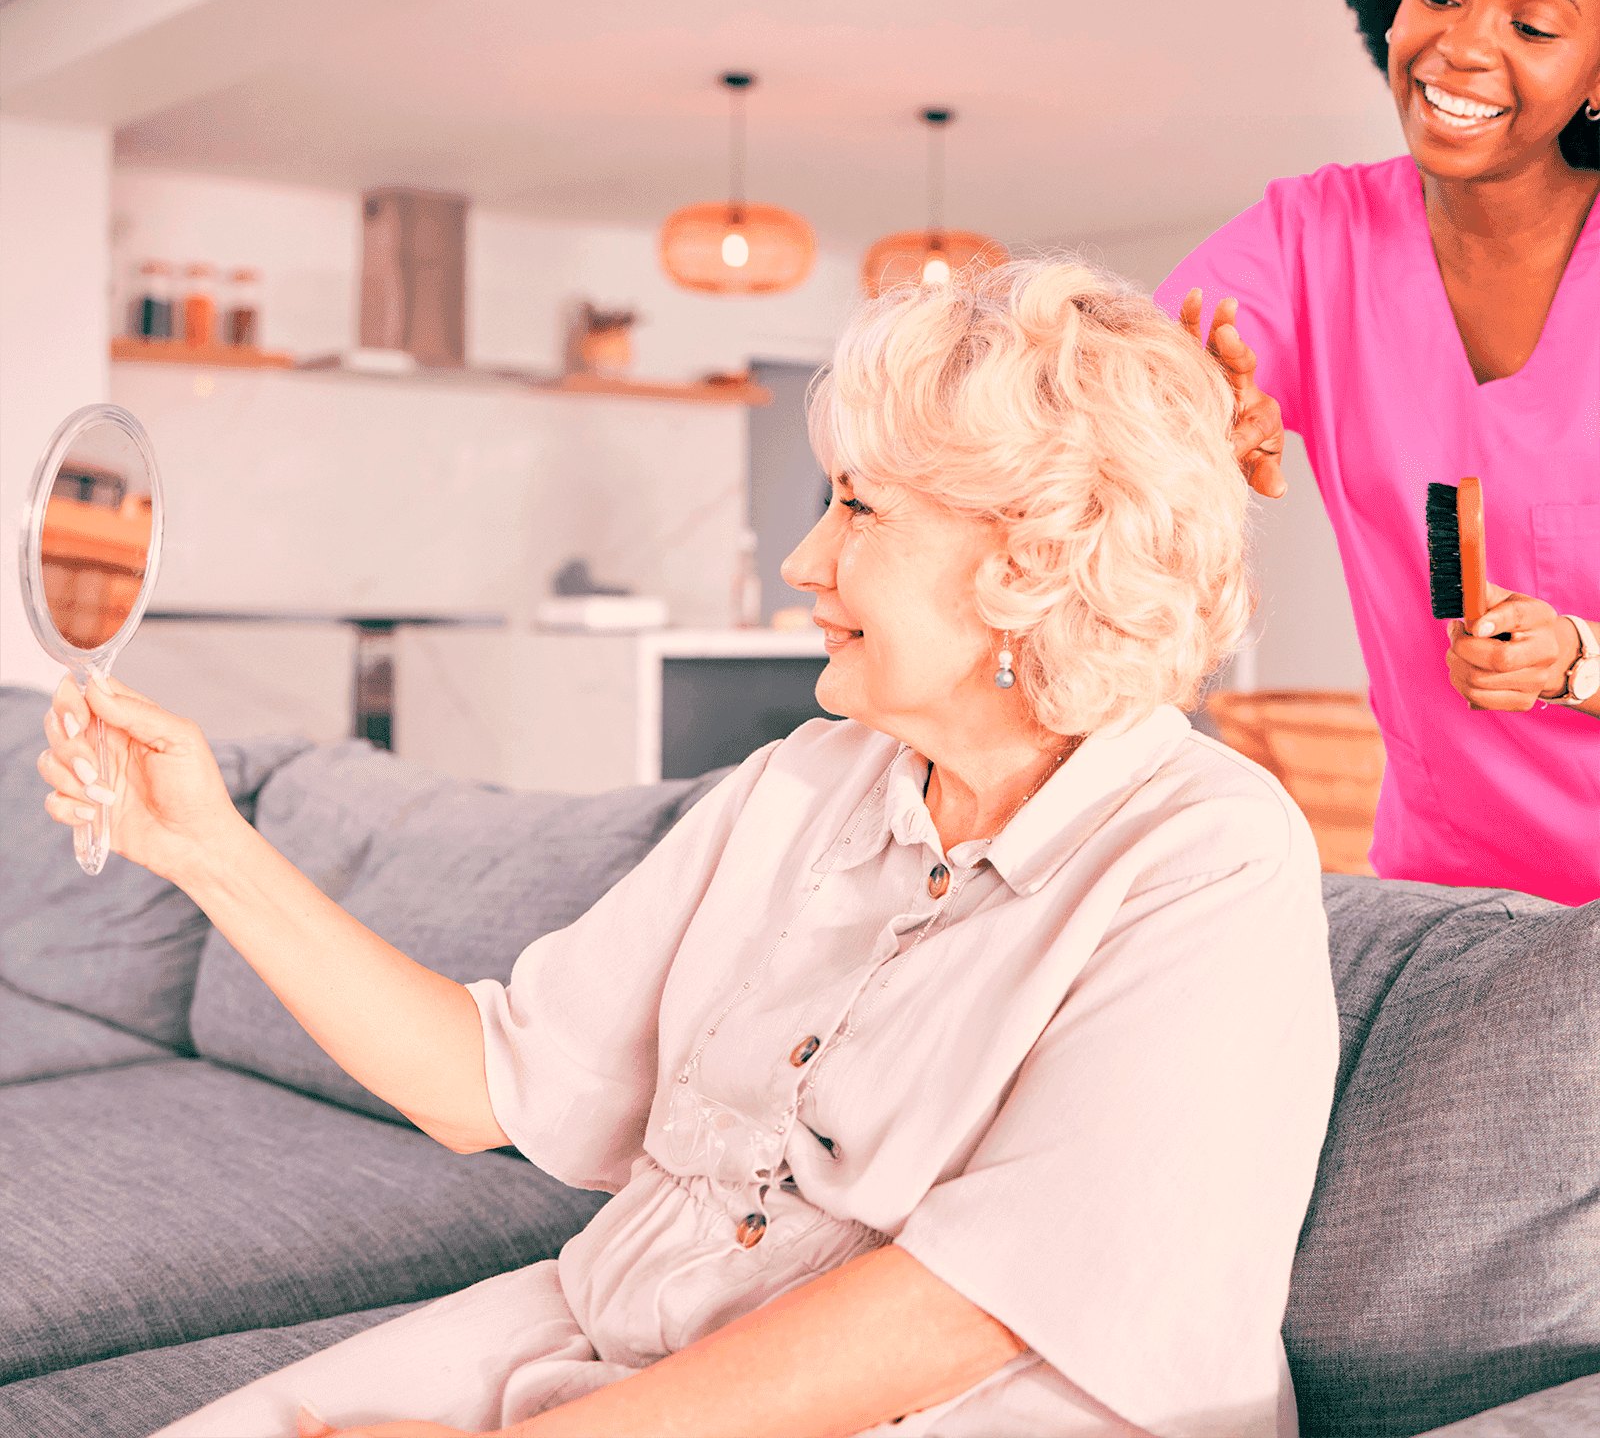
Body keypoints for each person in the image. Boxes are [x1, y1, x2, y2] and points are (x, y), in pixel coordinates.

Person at [39, 260, 1338, 1438]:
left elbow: (974, 1308)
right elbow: (477, 1086)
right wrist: (207, 847)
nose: (802, 562)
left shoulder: (1209, 855)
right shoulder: (804, 788)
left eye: (857, 508)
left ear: (1029, 562)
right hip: (622, 1352)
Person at [1157, 0, 1600, 907]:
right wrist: (1192, 412)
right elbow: (1137, 371)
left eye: (1532, 25)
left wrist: (1578, 661)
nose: (1458, 47)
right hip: (1449, 900)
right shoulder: (1317, 237)